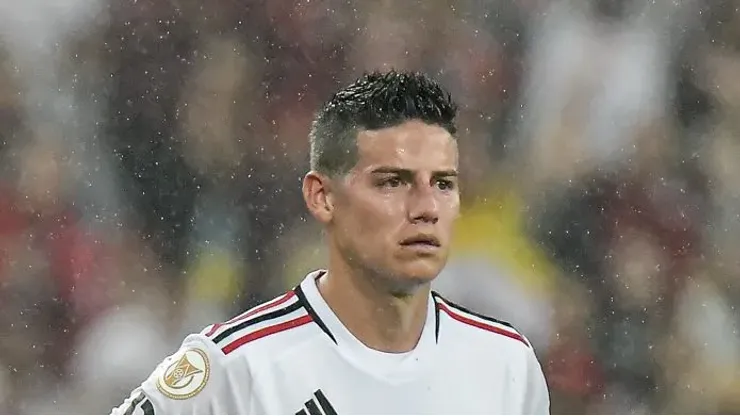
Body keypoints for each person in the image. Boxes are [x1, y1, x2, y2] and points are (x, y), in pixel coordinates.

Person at [111, 70, 550, 415]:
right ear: (322, 198)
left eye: (442, 184)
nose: (425, 208)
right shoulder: (234, 368)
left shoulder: (507, 365)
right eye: (392, 183)